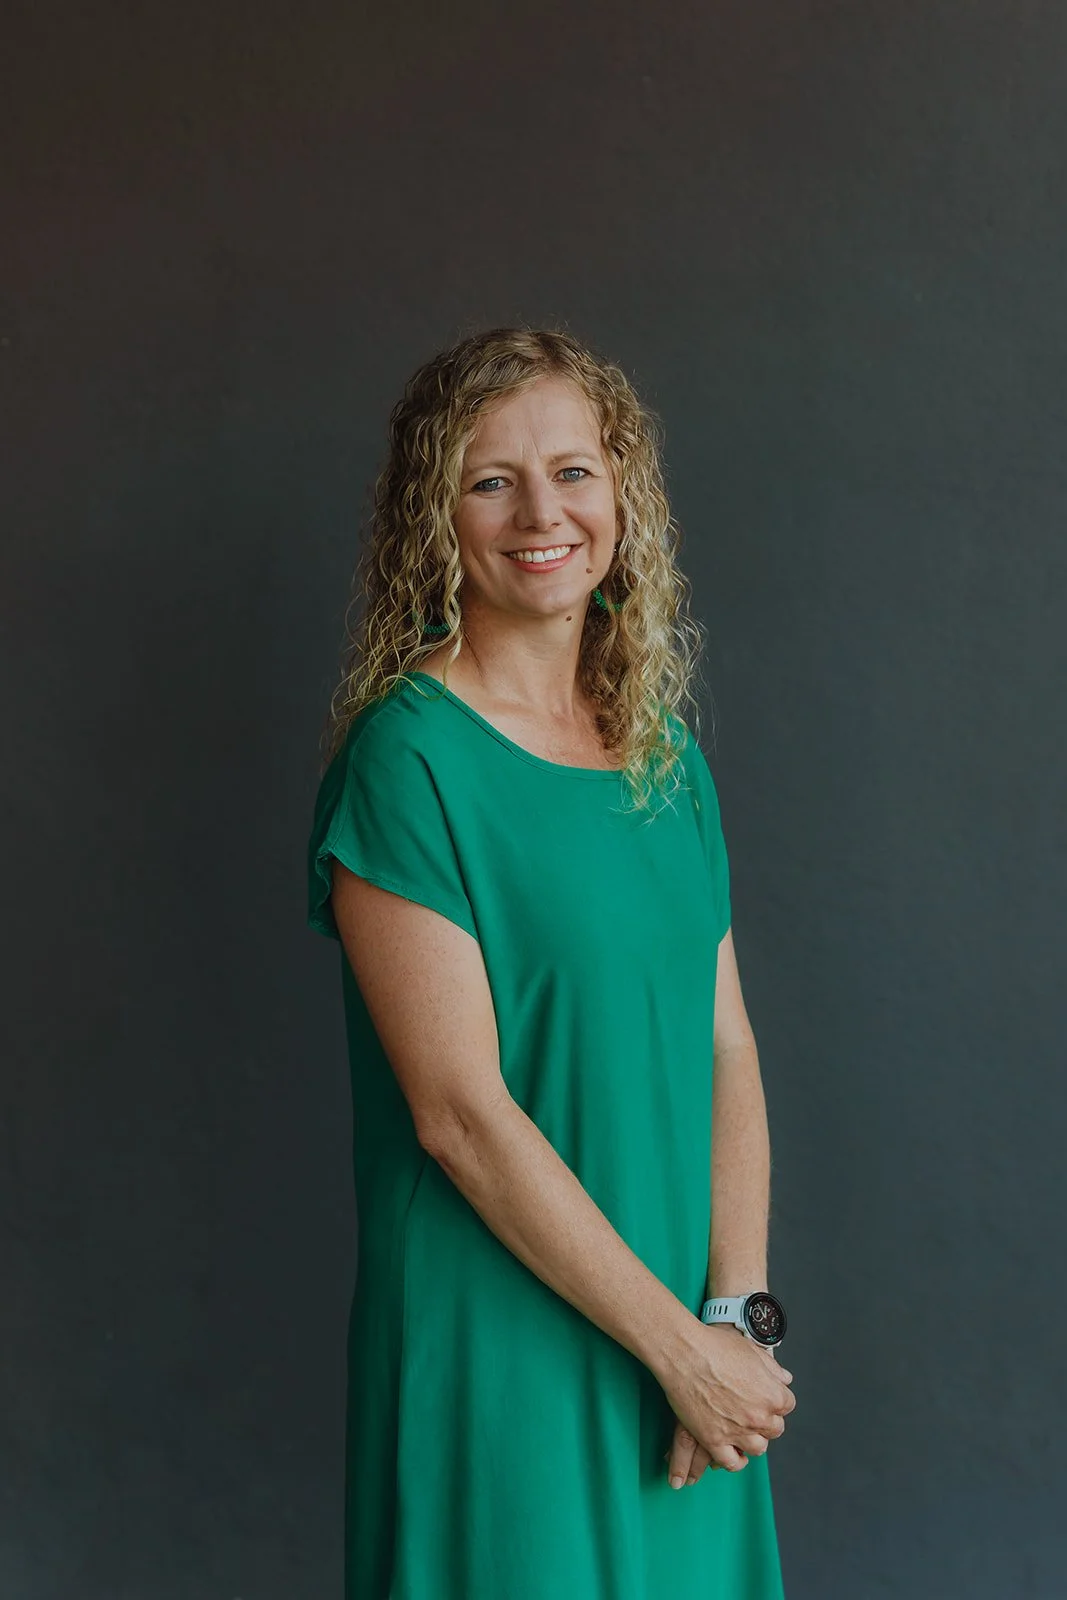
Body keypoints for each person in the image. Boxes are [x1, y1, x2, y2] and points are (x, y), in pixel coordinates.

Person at [306, 325, 796, 1599]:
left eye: (574, 470)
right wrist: (679, 1355)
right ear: (436, 516)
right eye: (491, 480)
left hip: (684, 1357)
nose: (543, 513)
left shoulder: (661, 758)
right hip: (504, 1352)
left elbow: (722, 1040)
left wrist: (730, 1319)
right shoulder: (406, 761)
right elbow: (459, 1116)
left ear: (620, 496)